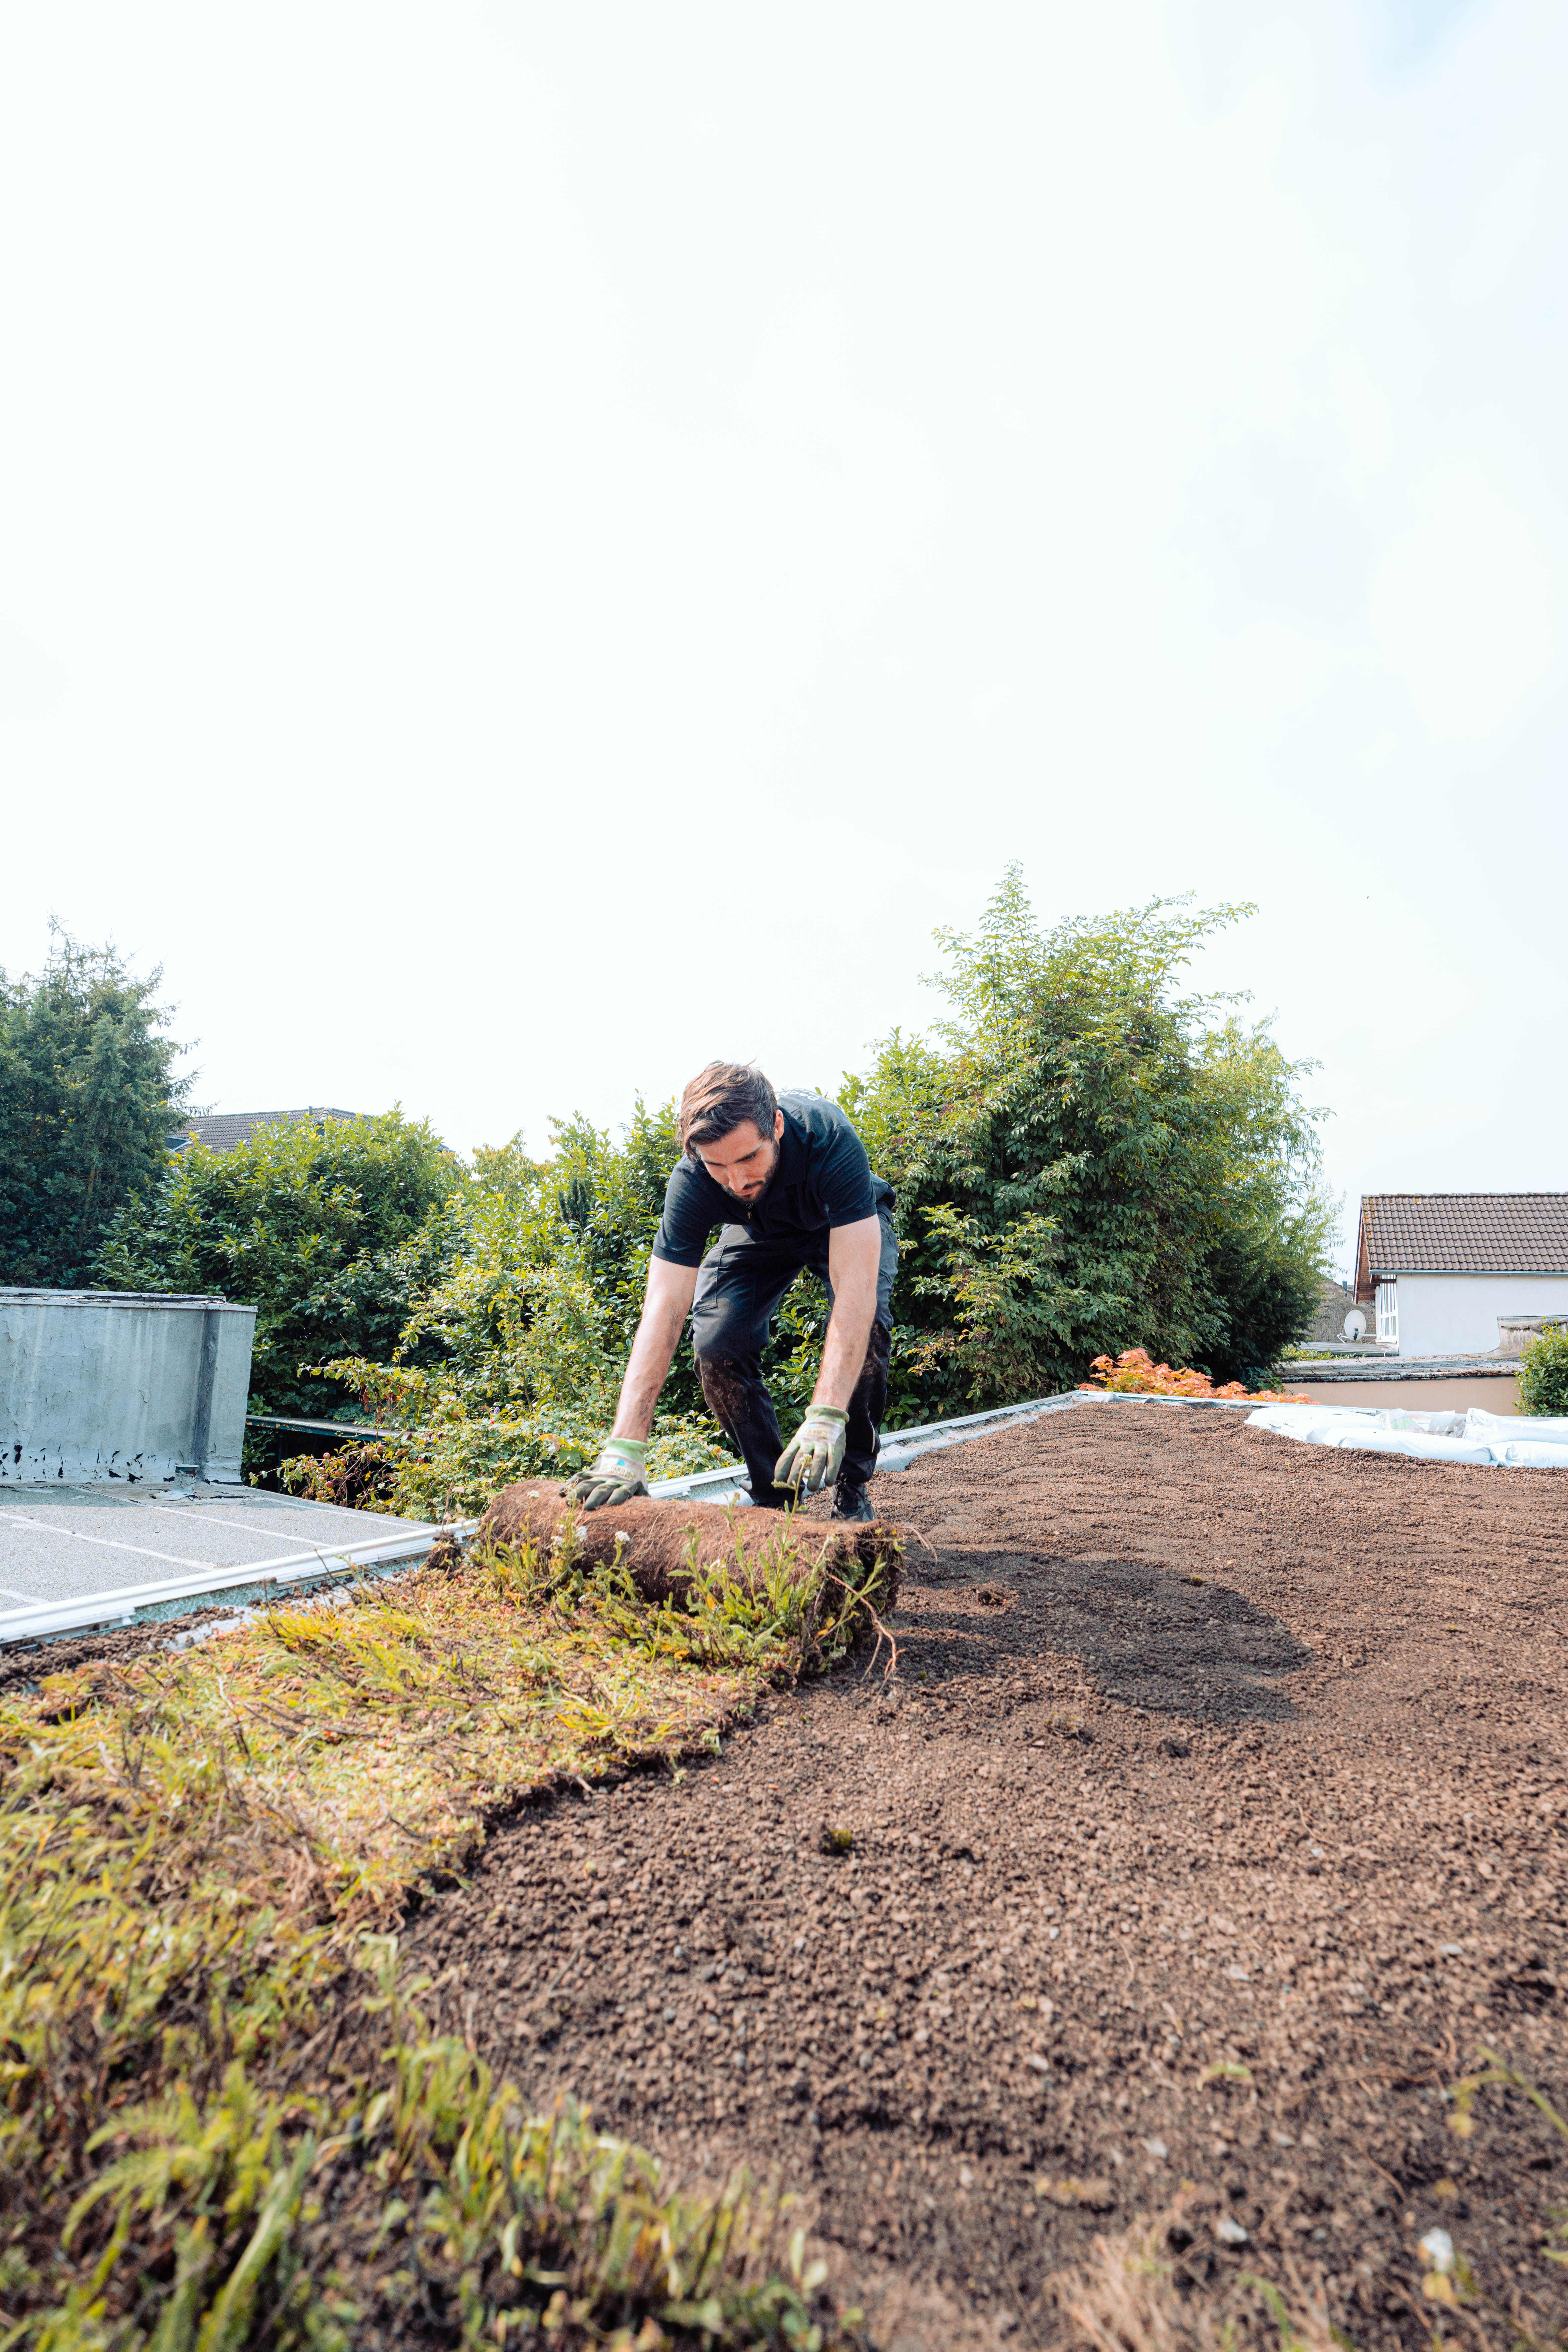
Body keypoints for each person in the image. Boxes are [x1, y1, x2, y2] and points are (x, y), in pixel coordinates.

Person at [564, 1062, 897, 1520]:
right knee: (716, 1343)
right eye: (718, 1166)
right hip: (758, 1231)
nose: (737, 1182)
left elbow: (855, 1291)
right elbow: (663, 1309)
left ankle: (853, 1484)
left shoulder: (828, 1138)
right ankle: (776, 1495)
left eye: (748, 1159)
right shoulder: (693, 1181)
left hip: (839, 1224)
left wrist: (825, 1414)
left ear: (776, 1126)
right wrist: (625, 1446)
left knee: (871, 1328)